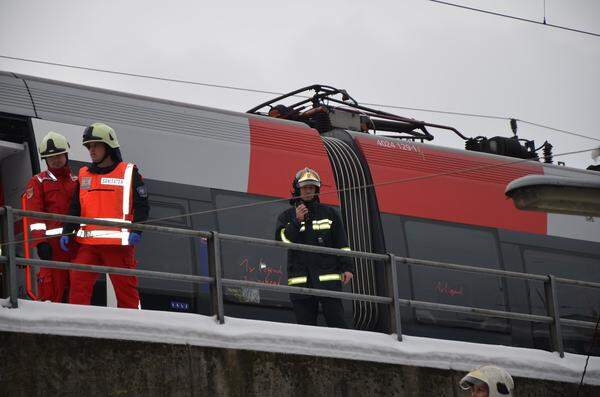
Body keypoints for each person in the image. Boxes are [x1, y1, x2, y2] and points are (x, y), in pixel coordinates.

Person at [60, 122, 149, 308]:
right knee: (77, 286)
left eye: (95, 145)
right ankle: (77, 326)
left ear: (108, 147)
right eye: (89, 146)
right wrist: (68, 230)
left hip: (118, 247)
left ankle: (131, 330)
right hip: (88, 246)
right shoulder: (84, 174)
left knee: (126, 292)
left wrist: (137, 230)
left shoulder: (129, 172)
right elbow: (75, 207)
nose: (91, 150)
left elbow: (142, 206)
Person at [275, 167, 353, 328]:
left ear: (316, 190)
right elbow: (282, 240)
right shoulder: (287, 216)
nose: (308, 191)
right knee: (306, 329)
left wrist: (347, 268)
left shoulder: (330, 214)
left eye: (311, 187)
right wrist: (297, 221)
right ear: (298, 189)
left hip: (328, 281)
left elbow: (342, 244)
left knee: (338, 325)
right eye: (305, 187)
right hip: (301, 281)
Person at [23, 132, 78, 302]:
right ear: (45, 160)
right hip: (52, 249)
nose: (55, 160)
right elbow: (35, 215)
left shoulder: (78, 181)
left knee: (78, 293)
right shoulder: (38, 182)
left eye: (59, 155)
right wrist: (40, 243)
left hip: (76, 245)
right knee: (51, 294)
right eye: (50, 157)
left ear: (66, 155)